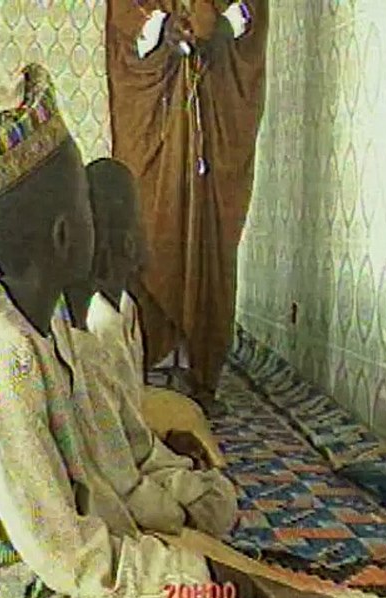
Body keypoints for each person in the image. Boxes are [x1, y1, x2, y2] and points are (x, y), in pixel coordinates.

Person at [0, 63, 267, 598]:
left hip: (68, 587)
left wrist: (182, 558)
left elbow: (96, 484)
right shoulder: (4, 355)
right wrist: (193, 581)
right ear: (64, 236)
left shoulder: (51, 328)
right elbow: (65, 553)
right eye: (86, 209)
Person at [106, 0, 268, 409]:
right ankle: (144, 366)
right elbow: (123, 16)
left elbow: (252, 11)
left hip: (216, 95)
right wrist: (159, 27)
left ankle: (200, 372)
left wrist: (224, 27)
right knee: (144, 221)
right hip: (151, 102)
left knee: (211, 230)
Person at [67, 158, 225, 469]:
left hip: (129, 424)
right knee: (210, 492)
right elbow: (112, 435)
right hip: (116, 450)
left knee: (190, 414)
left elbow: (129, 402)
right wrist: (170, 457)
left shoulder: (125, 304)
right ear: (127, 240)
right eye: (141, 218)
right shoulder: (100, 322)